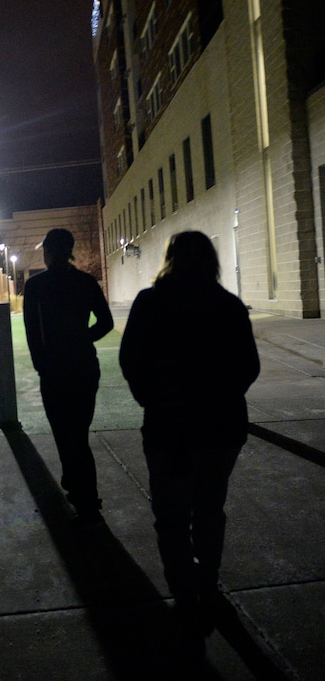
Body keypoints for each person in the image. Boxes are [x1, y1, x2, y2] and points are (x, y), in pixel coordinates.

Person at [119, 231, 260, 639]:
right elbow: (248, 366)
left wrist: (153, 400)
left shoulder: (151, 303)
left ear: (170, 258)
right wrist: (223, 398)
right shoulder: (228, 305)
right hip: (220, 427)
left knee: (172, 516)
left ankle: (184, 593)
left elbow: (131, 360)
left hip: (169, 428)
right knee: (210, 507)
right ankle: (208, 581)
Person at [23, 228, 114, 526]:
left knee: (65, 433)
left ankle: (80, 489)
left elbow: (32, 333)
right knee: (79, 432)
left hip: (55, 369)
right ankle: (83, 491)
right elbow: (106, 322)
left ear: (48, 251)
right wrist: (82, 339)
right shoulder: (86, 282)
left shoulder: (36, 286)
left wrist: (41, 364)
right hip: (84, 366)